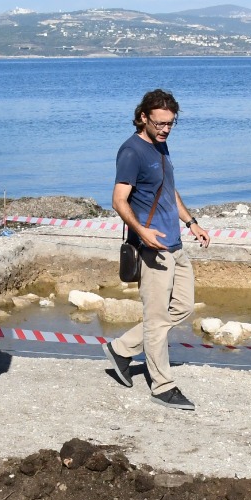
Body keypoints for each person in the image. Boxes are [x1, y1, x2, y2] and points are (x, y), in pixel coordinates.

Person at [101, 89, 210, 410]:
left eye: (171, 124)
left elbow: (168, 191)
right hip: (152, 248)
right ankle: (162, 385)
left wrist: (192, 223)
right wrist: (142, 232)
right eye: (160, 123)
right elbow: (118, 200)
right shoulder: (131, 152)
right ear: (143, 117)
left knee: (184, 308)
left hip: (175, 243)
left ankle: (121, 349)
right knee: (156, 316)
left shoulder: (161, 146)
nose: (165, 129)